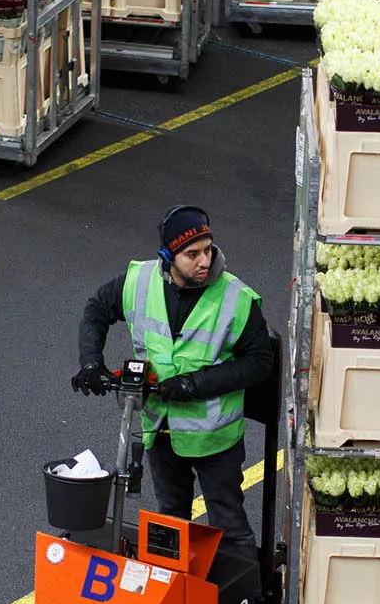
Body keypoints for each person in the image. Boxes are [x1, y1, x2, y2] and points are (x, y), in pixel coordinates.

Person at [74, 206, 275, 537]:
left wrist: (195, 384)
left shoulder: (237, 299)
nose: (205, 261)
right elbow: (96, 309)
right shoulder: (139, 282)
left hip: (214, 438)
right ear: (167, 257)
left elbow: (259, 364)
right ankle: (182, 588)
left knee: (228, 525)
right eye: (192, 254)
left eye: (208, 249)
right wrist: (91, 363)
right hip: (160, 428)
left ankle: (242, 591)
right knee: (171, 522)